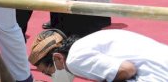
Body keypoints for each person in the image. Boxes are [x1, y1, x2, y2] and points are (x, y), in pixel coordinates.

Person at [29, 29, 168, 82]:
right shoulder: (91, 40)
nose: (51, 77)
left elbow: (127, 69)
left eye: (48, 72)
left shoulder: (73, 60)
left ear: (58, 58)